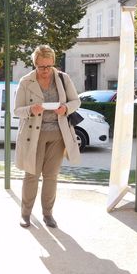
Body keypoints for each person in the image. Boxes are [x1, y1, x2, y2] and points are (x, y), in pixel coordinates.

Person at [14, 44, 81, 229]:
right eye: (40, 66)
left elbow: (76, 101)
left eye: (48, 66)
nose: (45, 71)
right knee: (31, 175)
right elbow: (17, 110)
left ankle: (48, 214)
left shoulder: (62, 78)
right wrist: (31, 109)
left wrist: (65, 108)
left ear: (53, 63)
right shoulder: (25, 82)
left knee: (51, 176)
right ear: (34, 63)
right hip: (33, 135)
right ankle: (25, 214)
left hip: (58, 134)